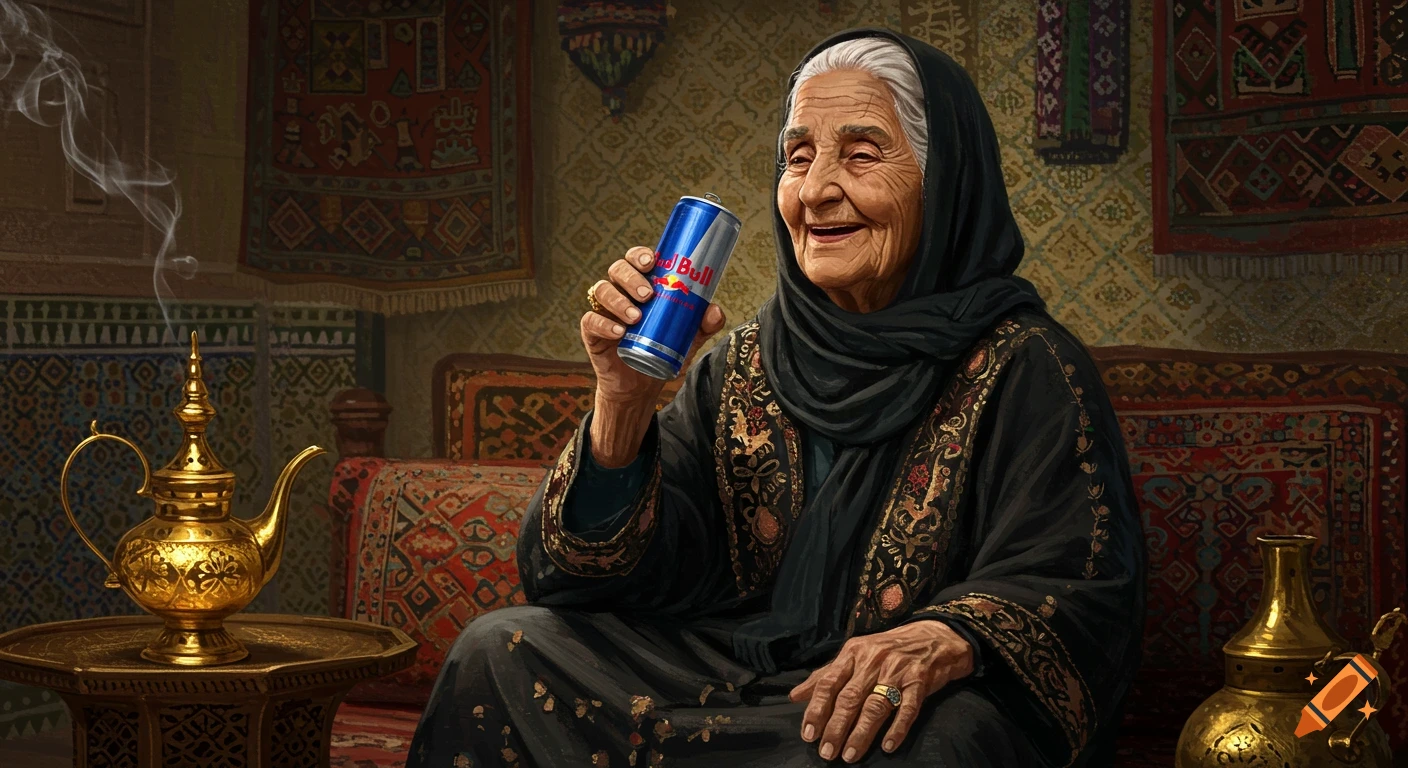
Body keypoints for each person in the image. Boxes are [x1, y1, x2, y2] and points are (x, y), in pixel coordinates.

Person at [407, 27, 1145, 768]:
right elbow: (584, 579)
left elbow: (1081, 589)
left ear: (944, 178)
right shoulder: (744, 362)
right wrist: (624, 403)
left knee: (935, 744)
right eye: (797, 158)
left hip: (882, 707)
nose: (817, 190)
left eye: (861, 154)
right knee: (498, 651)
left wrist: (949, 636)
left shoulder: (1026, 365)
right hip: (727, 677)